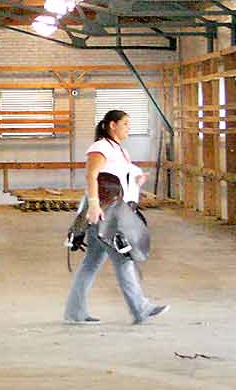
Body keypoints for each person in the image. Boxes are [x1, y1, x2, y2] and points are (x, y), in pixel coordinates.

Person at [64, 110, 169, 325]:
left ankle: (75, 312)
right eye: (125, 124)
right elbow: (91, 176)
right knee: (123, 260)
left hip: (115, 212)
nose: (128, 128)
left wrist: (136, 180)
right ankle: (140, 308)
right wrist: (93, 206)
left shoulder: (118, 150)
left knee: (91, 264)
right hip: (104, 213)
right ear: (112, 125)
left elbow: (118, 177)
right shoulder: (101, 147)